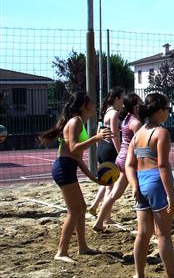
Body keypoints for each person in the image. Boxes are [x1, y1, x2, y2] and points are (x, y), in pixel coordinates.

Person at [40, 91, 112, 263]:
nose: (94, 104)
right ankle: (61, 252)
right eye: (91, 101)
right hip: (63, 168)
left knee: (82, 207)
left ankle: (83, 247)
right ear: (83, 106)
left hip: (68, 166)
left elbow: (77, 157)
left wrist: (93, 178)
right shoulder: (75, 121)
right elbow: (73, 148)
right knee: (74, 210)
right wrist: (96, 138)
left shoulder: (80, 122)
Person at [125, 93, 174, 278]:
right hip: (155, 182)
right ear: (159, 111)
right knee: (163, 234)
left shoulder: (137, 135)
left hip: (140, 182)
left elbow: (129, 165)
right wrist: (171, 195)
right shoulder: (161, 133)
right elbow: (162, 166)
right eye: (168, 109)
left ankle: (139, 274)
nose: (168, 112)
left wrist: (134, 186)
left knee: (143, 233)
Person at [92, 92, 142, 231]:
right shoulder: (135, 122)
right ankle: (144, 222)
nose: (143, 106)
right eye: (140, 103)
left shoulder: (126, 119)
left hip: (122, 157)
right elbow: (140, 143)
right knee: (138, 190)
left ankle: (99, 221)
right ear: (135, 106)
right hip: (129, 158)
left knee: (114, 193)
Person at [89, 87, 125, 217]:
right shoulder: (114, 113)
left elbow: (100, 132)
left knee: (106, 180)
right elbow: (115, 135)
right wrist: (120, 152)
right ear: (117, 98)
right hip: (110, 149)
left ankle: (94, 206)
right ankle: (106, 216)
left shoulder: (105, 112)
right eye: (123, 97)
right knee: (110, 184)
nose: (124, 100)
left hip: (102, 148)